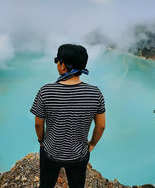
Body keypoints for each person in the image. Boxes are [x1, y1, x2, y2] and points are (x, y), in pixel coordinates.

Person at [30, 44, 106, 188]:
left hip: (50, 152)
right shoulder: (95, 93)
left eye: (57, 60)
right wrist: (92, 144)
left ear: (63, 66)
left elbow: (38, 124)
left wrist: (41, 140)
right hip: (79, 155)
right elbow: (101, 126)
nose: (57, 64)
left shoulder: (46, 91)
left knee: (46, 185)